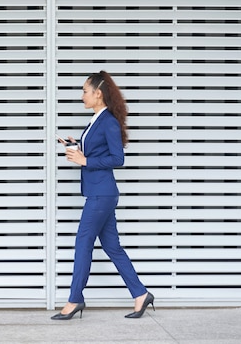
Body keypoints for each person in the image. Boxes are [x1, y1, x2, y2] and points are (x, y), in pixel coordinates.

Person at [52, 71, 154, 320]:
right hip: (100, 193)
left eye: (85, 91)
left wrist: (85, 160)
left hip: (102, 194)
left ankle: (75, 299)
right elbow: (98, 152)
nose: (82, 96)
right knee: (113, 247)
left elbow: (118, 158)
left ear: (98, 93)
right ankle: (140, 294)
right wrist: (74, 147)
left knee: (83, 243)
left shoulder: (107, 121)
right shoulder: (97, 119)